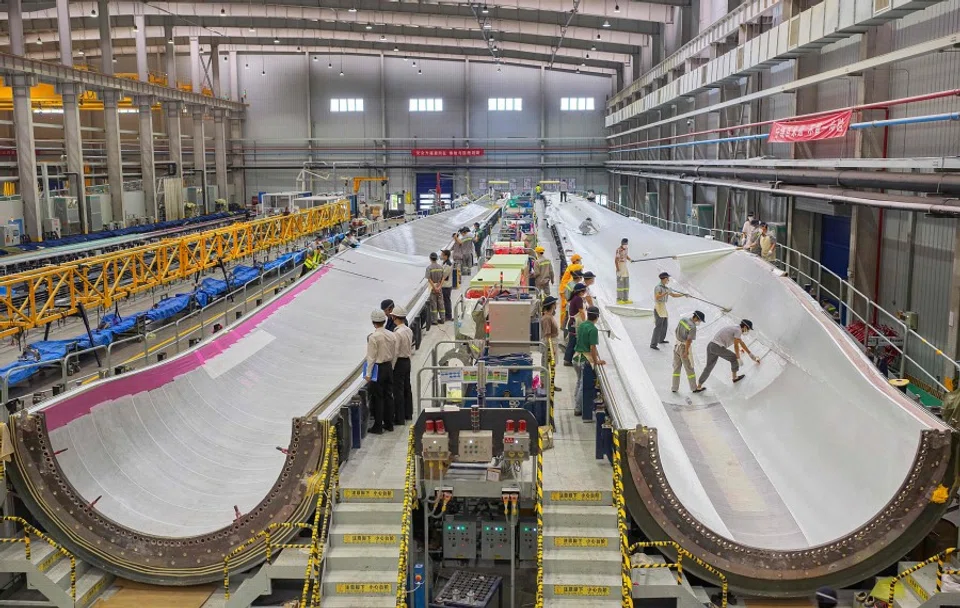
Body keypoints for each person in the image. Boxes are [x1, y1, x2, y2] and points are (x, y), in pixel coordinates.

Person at [695, 319, 760, 391]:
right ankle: (735, 377)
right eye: (748, 329)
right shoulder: (738, 331)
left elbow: (741, 343)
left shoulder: (735, 328)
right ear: (745, 327)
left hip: (711, 346)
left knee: (708, 367)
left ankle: (699, 386)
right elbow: (736, 345)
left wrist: (752, 356)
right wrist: (738, 357)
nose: (748, 331)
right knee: (734, 357)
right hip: (717, 347)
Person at [364, 309, 397, 434]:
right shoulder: (391, 334)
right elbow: (394, 353)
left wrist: (368, 374)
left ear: (373, 322)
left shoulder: (374, 337)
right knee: (389, 396)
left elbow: (371, 357)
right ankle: (389, 424)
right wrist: (391, 367)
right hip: (388, 367)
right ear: (384, 321)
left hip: (378, 369)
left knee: (378, 398)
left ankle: (378, 426)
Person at [574, 306, 605, 417]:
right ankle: (578, 408)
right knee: (584, 384)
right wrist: (596, 361)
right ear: (597, 317)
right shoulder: (593, 329)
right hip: (584, 360)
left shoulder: (582, 325)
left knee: (578, 382)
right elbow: (592, 347)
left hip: (576, 357)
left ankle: (576, 403)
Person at [391, 305, 415, 423]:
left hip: (399, 362)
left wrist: (392, 366)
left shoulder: (397, 333)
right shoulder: (408, 330)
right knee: (407, 388)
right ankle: (408, 413)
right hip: (407, 361)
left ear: (394, 317)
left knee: (398, 390)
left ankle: (399, 418)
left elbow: (395, 352)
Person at [672, 311, 705, 393]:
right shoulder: (693, 327)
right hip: (683, 348)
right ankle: (694, 388)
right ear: (696, 318)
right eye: (700, 320)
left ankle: (674, 388)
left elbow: (676, 331)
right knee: (689, 368)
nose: (699, 322)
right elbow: (689, 340)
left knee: (676, 368)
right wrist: (686, 352)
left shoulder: (683, 319)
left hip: (676, 345)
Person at [650, 272, 684, 350]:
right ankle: (653, 344)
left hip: (663, 307)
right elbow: (657, 297)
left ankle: (661, 339)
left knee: (665, 325)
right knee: (658, 326)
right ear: (664, 279)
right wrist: (666, 292)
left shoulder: (665, 287)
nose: (668, 280)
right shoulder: (658, 287)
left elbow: (673, 295)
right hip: (658, 307)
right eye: (668, 278)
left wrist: (683, 295)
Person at [539, 296, 562, 392]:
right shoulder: (547, 318)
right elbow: (547, 334)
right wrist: (551, 349)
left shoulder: (549, 316)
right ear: (552, 305)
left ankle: (551, 384)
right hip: (549, 343)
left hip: (552, 342)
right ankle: (545, 385)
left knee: (551, 366)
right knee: (546, 365)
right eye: (555, 304)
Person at [563, 283, 588, 367]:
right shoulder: (578, 299)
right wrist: (585, 323)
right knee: (573, 341)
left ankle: (569, 359)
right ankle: (568, 360)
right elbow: (581, 311)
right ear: (581, 292)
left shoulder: (575, 298)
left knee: (572, 341)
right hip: (575, 323)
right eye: (584, 290)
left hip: (572, 322)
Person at [426, 252, 446, 324]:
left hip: (433, 288)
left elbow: (429, 279)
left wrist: (434, 287)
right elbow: (443, 278)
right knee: (441, 303)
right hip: (439, 286)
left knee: (433, 304)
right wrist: (439, 287)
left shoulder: (429, 268)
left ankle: (435, 320)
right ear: (437, 258)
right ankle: (443, 319)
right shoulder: (441, 267)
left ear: (430, 258)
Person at [615, 238, 633, 304]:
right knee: (620, 283)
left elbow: (626, 256)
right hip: (620, 265)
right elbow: (616, 260)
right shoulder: (618, 250)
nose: (625, 245)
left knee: (626, 282)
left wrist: (630, 259)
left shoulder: (626, 249)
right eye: (624, 244)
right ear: (621, 243)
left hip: (625, 266)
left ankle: (625, 298)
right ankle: (619, 299)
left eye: (626, 244)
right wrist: (618, 269)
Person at [440, 249, 454, 322]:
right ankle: (447, 315)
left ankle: (448, 316)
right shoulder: (444, 263)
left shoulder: (448, 265)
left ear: (446, 256)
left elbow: (444, 275)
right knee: (445, 300)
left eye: (442, 254)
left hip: (446, 286)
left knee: (446, 301)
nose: (441, 256)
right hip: (444, 286)